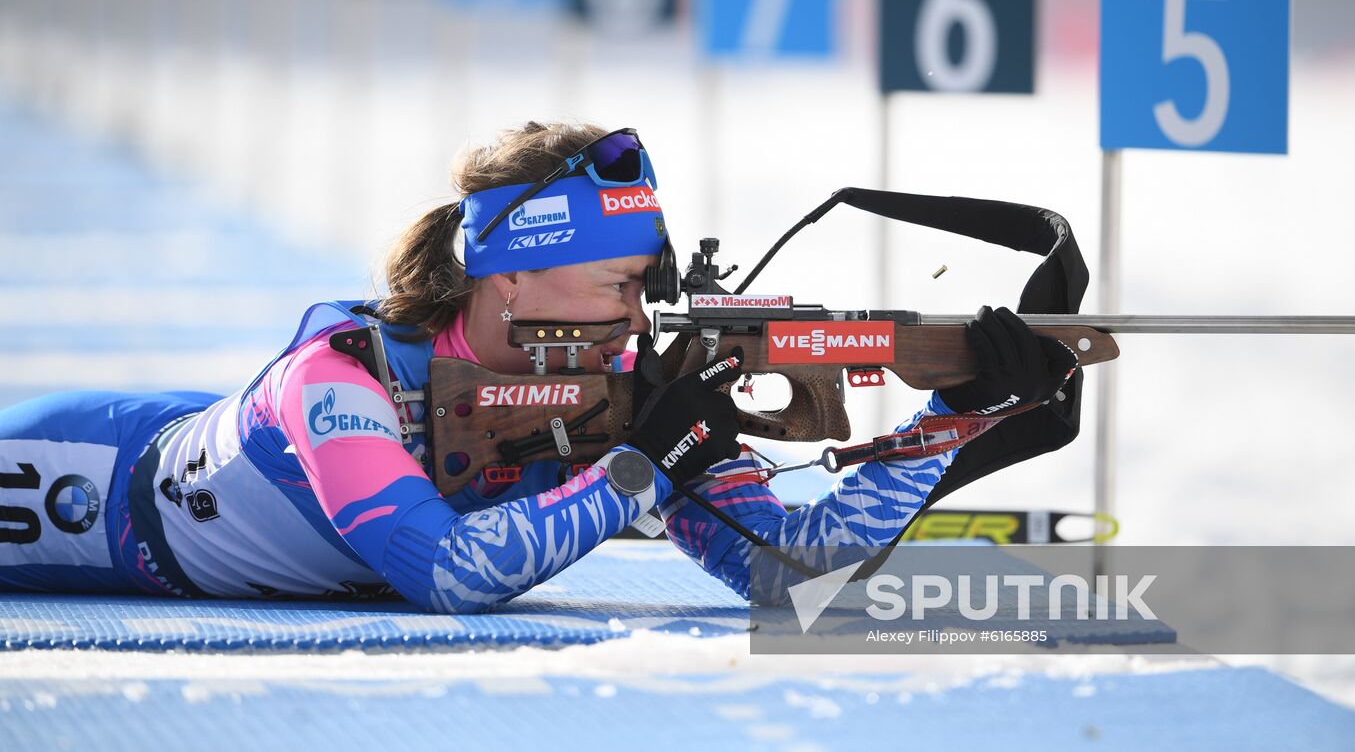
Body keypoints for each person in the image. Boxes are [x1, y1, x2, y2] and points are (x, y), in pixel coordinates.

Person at [0, 121, 1076, 612]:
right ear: (509, 280)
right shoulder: (336, 382)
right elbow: (450, 576)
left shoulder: (625, 390)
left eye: (649, 285)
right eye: (615, 285)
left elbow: (791, 572)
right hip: (86, 486)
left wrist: (953, 418)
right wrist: (643, 472)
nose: (638, 313)